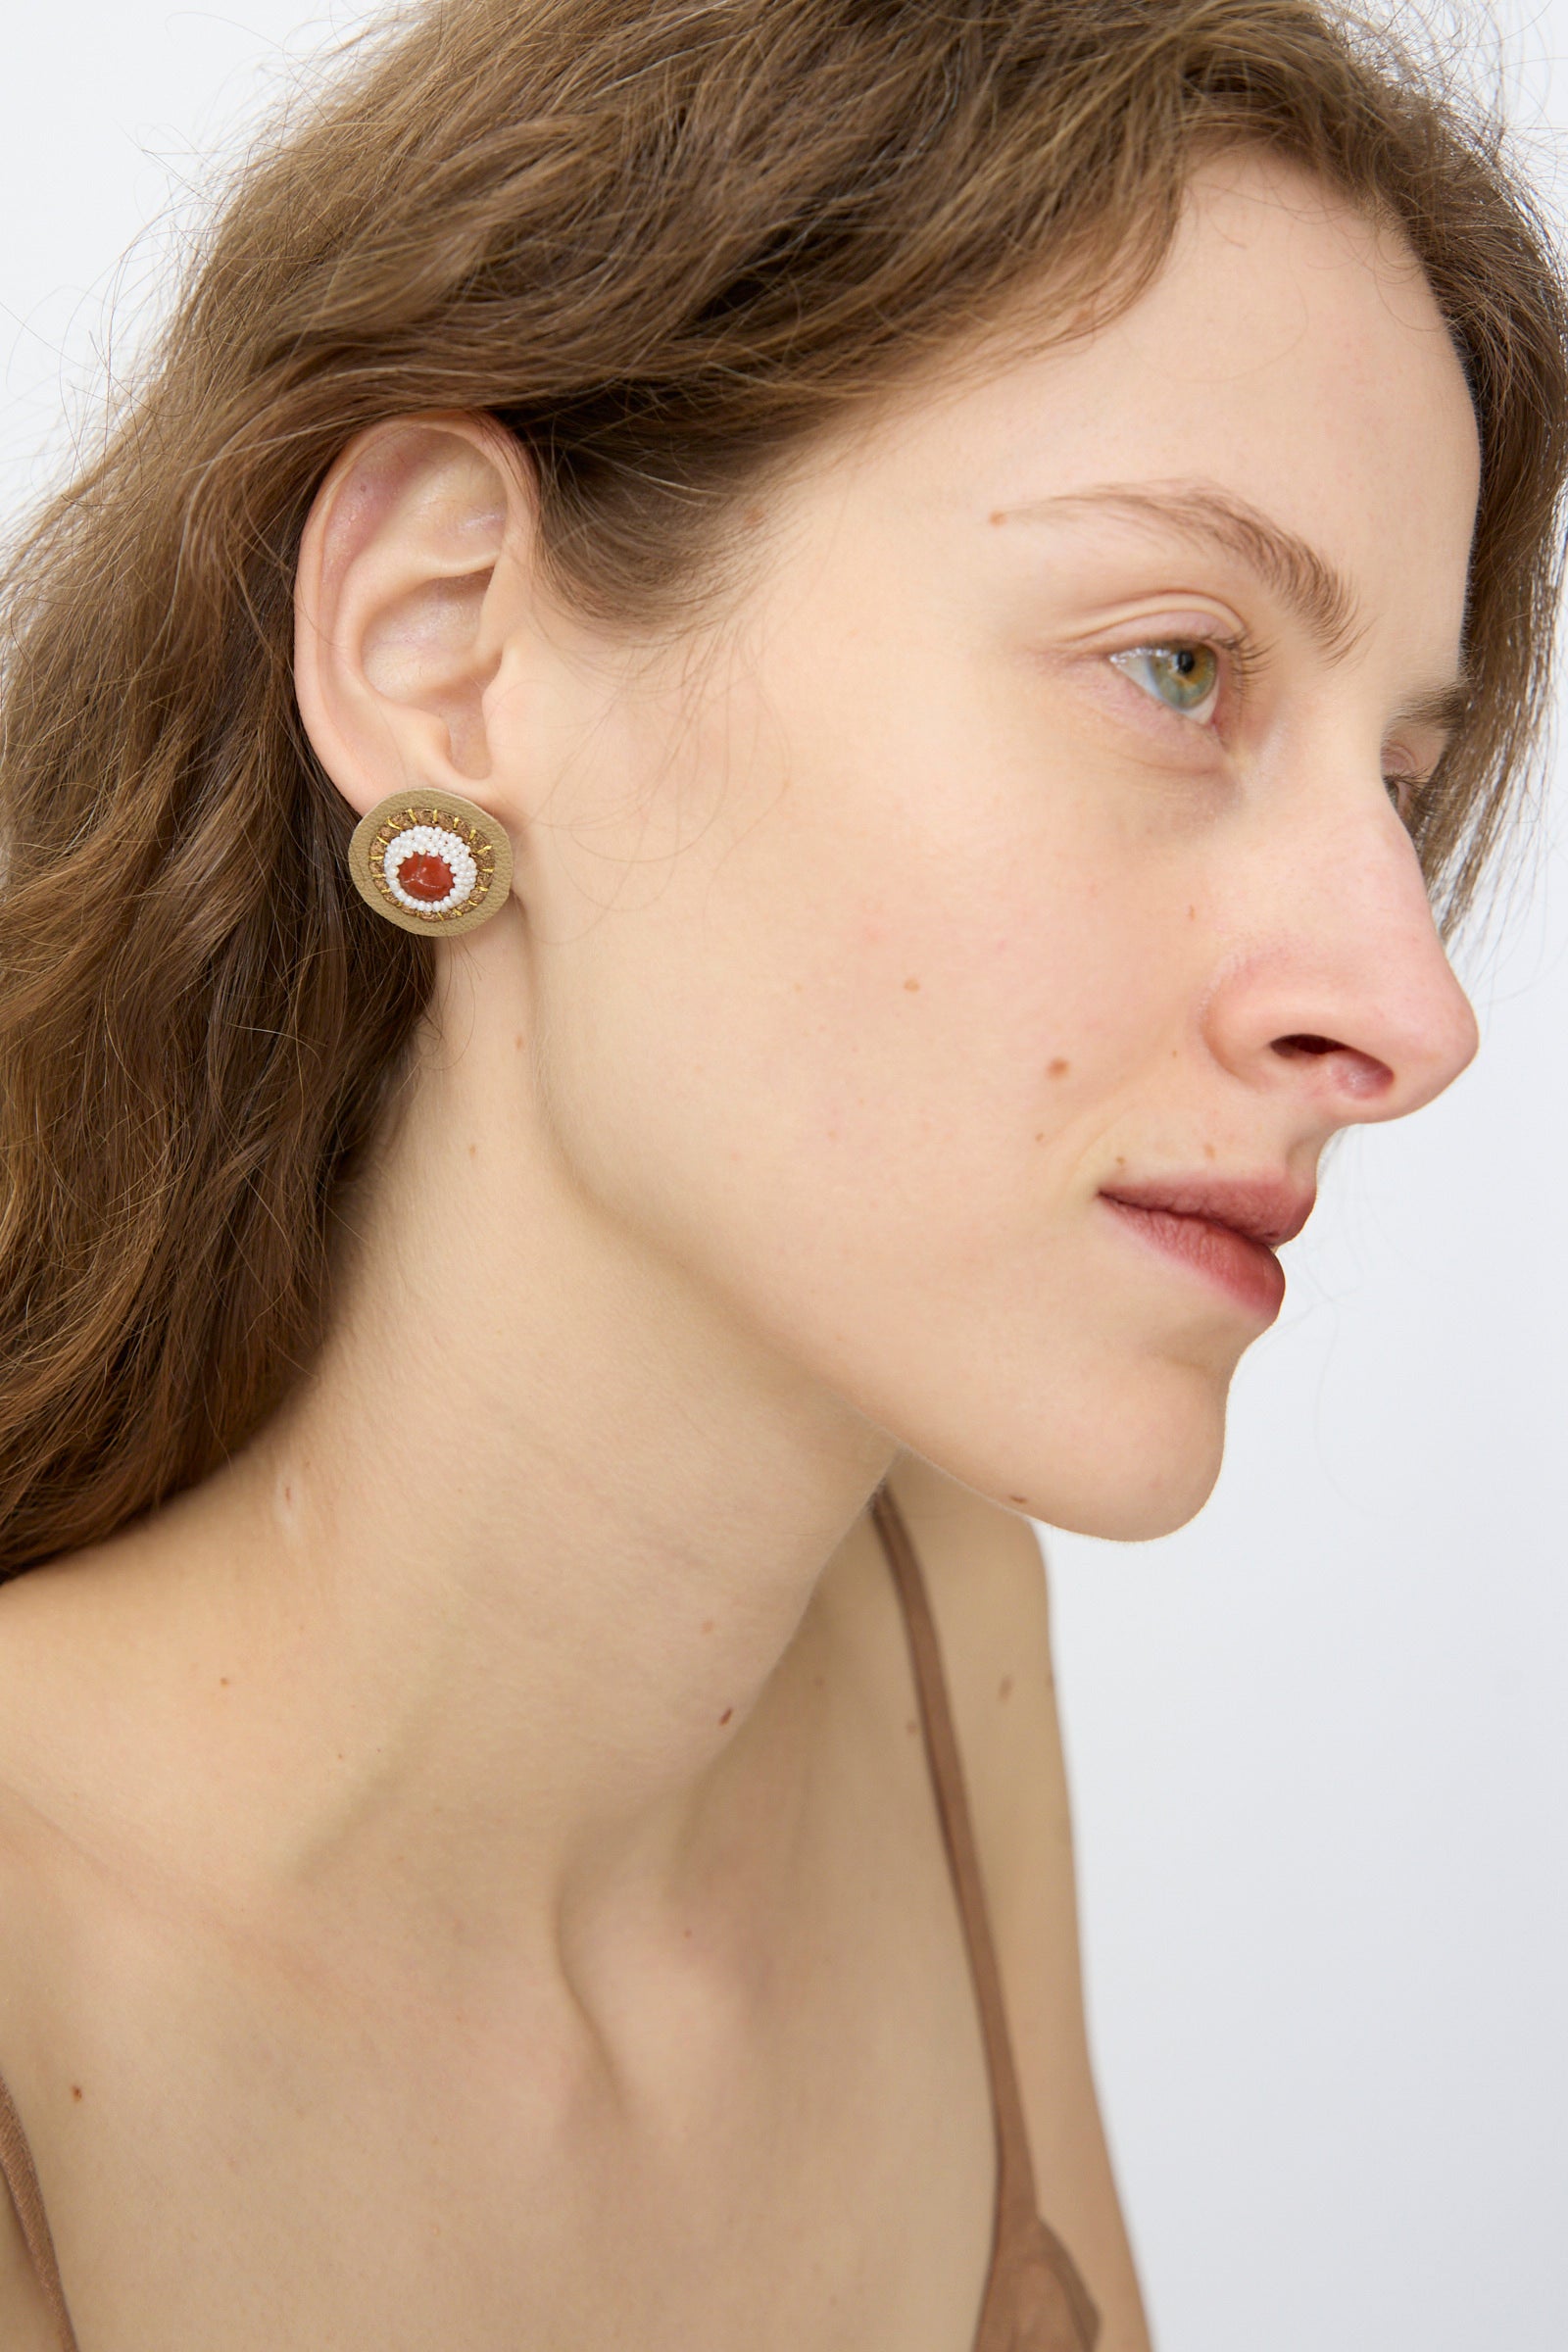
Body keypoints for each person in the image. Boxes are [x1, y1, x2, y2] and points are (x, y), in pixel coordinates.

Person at [0, 0, 1563, 2344]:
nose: (1407, 1015)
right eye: (1173, 665)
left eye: (1396, 775)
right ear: (446, 651)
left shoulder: (943, 1642)